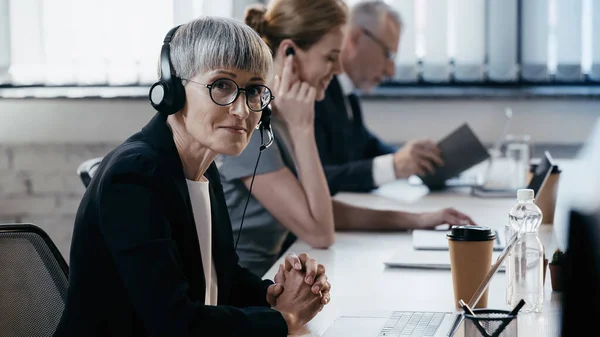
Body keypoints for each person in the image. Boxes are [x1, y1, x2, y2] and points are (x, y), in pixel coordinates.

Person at [52, 16, 330, 337]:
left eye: (254, 90)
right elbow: (174, 323)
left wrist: (276, 293)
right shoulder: (134, 176)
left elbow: (218, 276)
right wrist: (284, 320)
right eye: (222, 85)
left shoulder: (202, 167)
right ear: (173, 91)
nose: (242, 110)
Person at [218, 0, 475, 278]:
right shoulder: (250, 125)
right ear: (289, 51)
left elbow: (320, 210)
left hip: (271, 278)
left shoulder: (279, 119)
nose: (339, 70)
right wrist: (303, 128)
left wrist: (420, 220)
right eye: (330, 57)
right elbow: (320, 232)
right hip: (245, 293)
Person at [314, 0, 444, 194]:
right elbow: (317, 179)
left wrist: (413, 158)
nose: (391, 71)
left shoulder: (347, 94)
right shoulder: (314, 92)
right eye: (388, 55)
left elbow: (366, 146)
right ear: (356, 37)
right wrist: (394, 166)